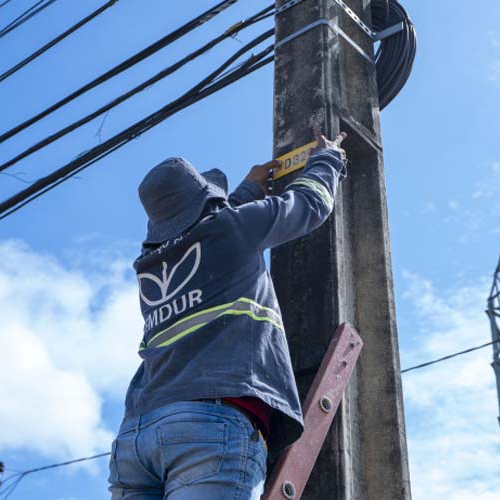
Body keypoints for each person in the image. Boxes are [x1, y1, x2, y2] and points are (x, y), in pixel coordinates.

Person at [108, 132, 348, 500]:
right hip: (210, 424)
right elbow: (310, 204)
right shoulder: (232, 229)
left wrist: (248, 190)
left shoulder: (150, 268)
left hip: (137, 436)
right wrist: (328, 158)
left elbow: (215, 228)